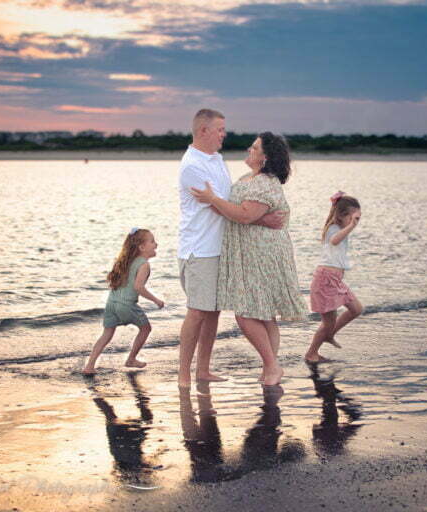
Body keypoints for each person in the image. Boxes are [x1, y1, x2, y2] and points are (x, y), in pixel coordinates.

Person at [177, 109, 283, 388]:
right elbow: (222, 206)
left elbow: (231, 202)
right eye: (220, 129)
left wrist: (256, 214)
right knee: (197, 311)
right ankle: (183, 373)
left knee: (211, 312)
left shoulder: (216, 160)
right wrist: (261, 217)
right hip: (199, 249)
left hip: (219, 248)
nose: (225, 134)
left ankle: (203, 370)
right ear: (203, 131)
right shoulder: (192, 166)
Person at [191, 132, 307, 386]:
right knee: (264, 314)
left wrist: (213, 199)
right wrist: (214, 201)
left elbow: (244, 216)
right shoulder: (249, 179)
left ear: (265, 158)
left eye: (254, 148)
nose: (248, 150)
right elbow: (242, 212)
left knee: (246, 313)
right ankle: (270, 369)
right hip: (251, 252)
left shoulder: (264, 183)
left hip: (260, 254)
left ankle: (272, 366)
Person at [82, 228, 164, 375]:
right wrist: (156, 300)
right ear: (142, 247)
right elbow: (138, 287)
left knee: (106, 334)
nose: (156, 244)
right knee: (146, 329)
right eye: (152, 241)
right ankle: (131, 359)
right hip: (126, 305)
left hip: (111, 303)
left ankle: (89, 366)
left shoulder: (125, 261)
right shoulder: (144, 264)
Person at [304, 192, 364, 363]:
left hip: (335, 280)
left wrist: (350, 225)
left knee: (356, 309)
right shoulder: (333, 228)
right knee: (328, 322)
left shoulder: (341, 229)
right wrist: (351, 226)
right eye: (354, 218)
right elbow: (334, 241)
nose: (356, 222)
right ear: (342, 215)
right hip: (325, 279)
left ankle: (329, 335)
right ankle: (311, 353)